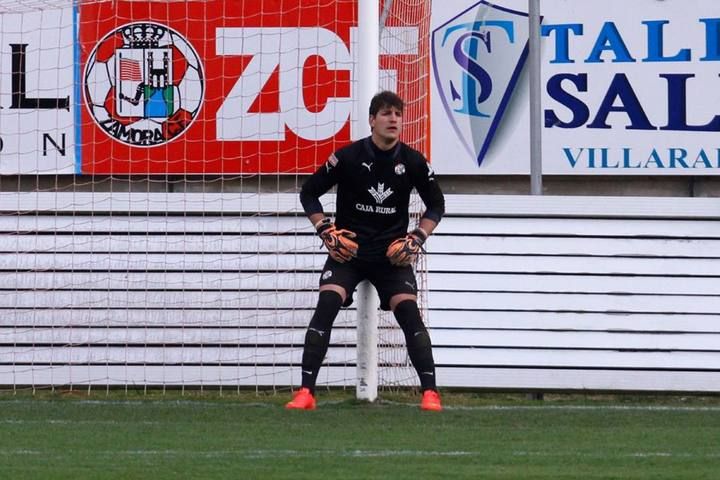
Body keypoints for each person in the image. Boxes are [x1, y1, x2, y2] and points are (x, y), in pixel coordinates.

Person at [286, 91, 445, 411]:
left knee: (409, 312)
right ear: (372, 120)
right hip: (349, 252)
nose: (394, 120)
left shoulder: (413, 161)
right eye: (386, 114)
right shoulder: (347, 157)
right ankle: (306, 392)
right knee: (327, 302)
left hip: (391, 255)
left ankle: (430, 394)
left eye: (398, 114)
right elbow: (309, 193)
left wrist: (416, 237)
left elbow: (437, 205)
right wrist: (324, 230)